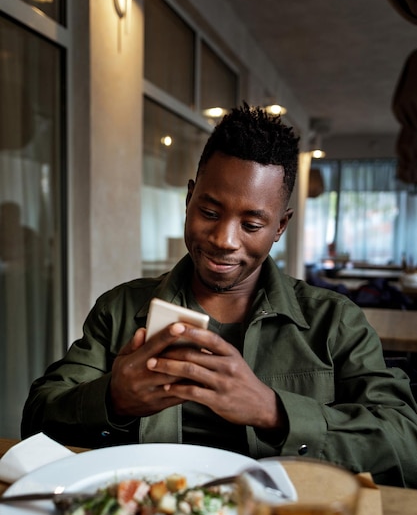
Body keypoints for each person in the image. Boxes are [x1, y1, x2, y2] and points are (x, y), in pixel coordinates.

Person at [21, 103, 417, 488]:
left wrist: (275, 412)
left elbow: (406, 445)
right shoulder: (121, 310)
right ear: (189, 198)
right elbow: (37, 417)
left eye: (251, 223)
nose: (224, 240)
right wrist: (113, 400)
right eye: (210, 213)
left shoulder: (335, 322)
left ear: (280, 227)